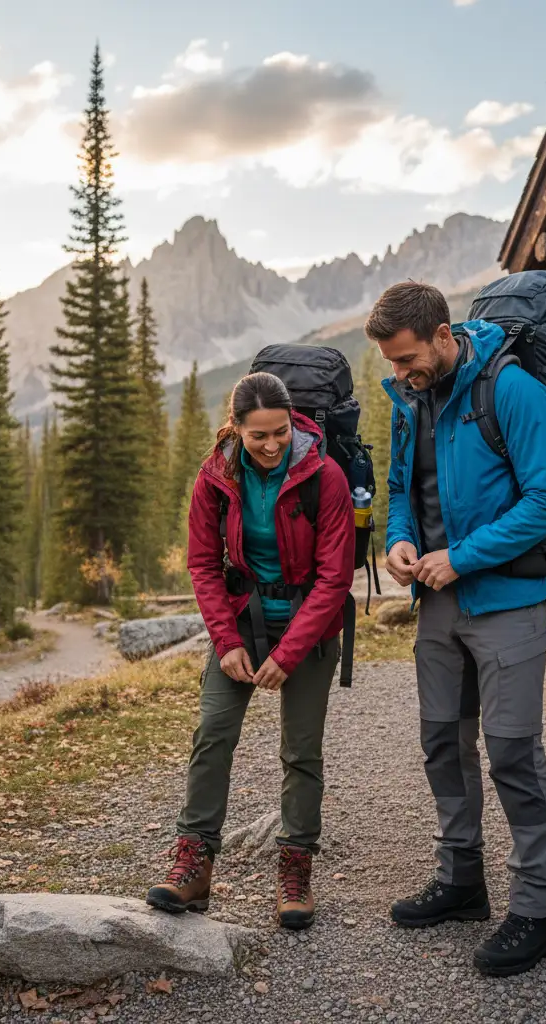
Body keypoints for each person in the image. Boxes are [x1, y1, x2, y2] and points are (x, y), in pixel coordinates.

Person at [365, 281, 546, 977]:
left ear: (443, 335)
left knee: (513, 752)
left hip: (508, 598)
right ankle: (461, 881)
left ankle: (538, 911)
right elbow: (404, 491)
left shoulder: (511, 390)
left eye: (407, 358)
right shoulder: (411, 400)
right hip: (438, 601)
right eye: (391, 363)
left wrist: (462, 557)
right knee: (443, 743)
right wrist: (399, 540)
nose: (400, 373)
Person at [146, 371, 355, 930]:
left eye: (280, 432)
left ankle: (295, 869)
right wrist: (226, 641)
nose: (271, 445)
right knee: (213, 733)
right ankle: (194, 863)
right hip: (240, 623)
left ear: (292, 423)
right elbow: (202, 564)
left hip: (310, 630)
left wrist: (289, 653)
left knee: (301, 750)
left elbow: (335, 578)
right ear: (235, 427)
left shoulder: (325, 475)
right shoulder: (215, 476)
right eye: (258, 435)